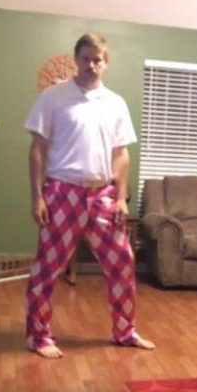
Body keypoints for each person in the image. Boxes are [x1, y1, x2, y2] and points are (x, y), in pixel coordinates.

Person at [25, 33, 155, 359]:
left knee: (123, 263)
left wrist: (122, 196)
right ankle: (38, 336)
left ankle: (125, 332)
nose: (92, 65)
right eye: (86, 58)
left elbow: (121, 154)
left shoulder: (115, 103)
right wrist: (37, 197)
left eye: (98, 60)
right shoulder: (54, 97)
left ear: (106, 62)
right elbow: (37, 150)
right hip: (61, 192)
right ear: (76, 59)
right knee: (47, 268)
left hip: (103, 196)